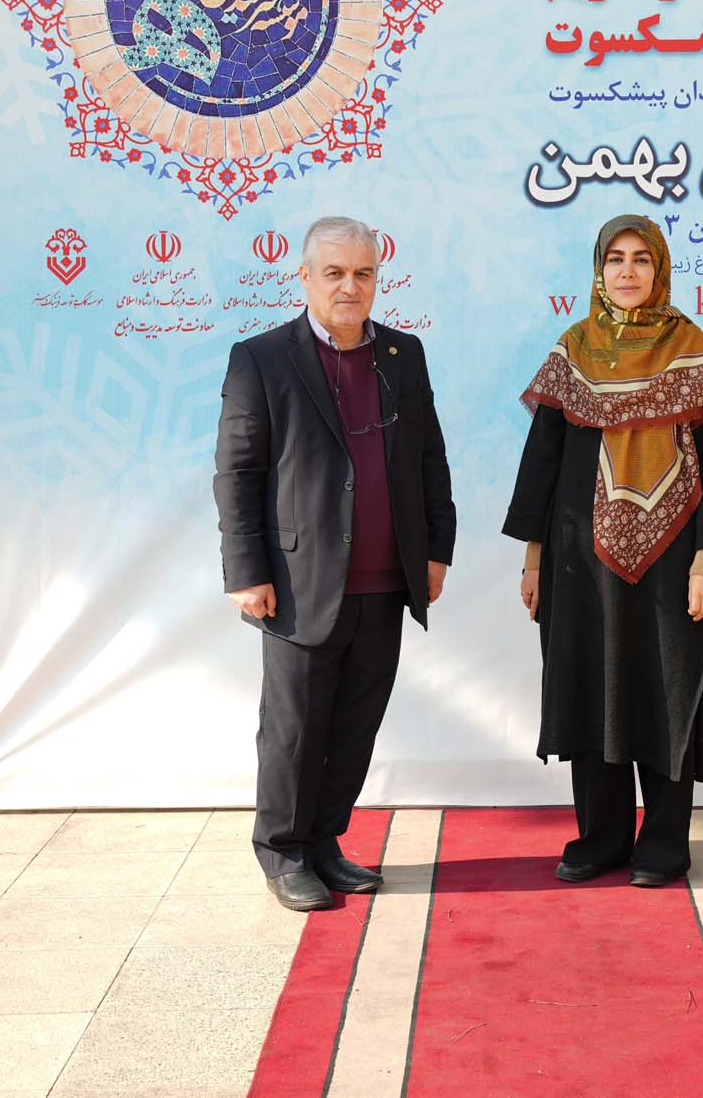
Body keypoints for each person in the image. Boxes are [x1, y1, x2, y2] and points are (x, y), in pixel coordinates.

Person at [214, 216, 456, 910]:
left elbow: (429, 457)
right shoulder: (261, 358)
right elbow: (237, 472)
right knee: (294, 730)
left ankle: (324, 843)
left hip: (386, 578)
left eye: (363, 273)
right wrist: (245, 569)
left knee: (355, 725)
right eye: (335, 273)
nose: (350, 286)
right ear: (305, 278)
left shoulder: (404, 354)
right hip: (298, 582)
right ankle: (283, 851)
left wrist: (435, 548)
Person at [503, 214, 703, 885]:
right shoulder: (572, 352)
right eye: (615, 258)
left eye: (642, 258)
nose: (628, 271)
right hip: (579, 561)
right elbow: (541, 464)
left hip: (672, 562)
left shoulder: (695, 355)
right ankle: (602, 837)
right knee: (592, 689)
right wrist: (533, 560)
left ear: (659, 269)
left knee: (666, 692)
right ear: (599, 270)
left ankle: (665, 842)